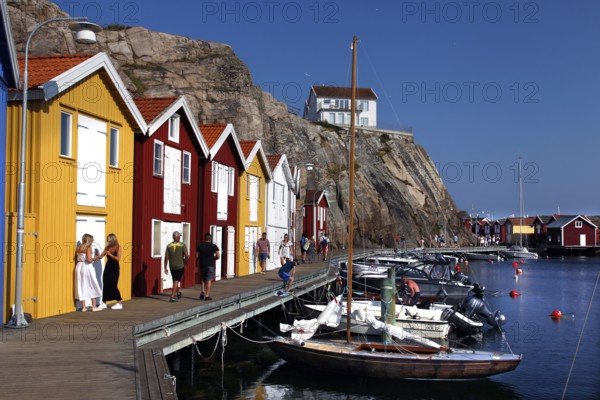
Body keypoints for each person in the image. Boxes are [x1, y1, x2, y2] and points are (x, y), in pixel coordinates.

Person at [74, 233, 103, 312]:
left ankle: (84, 307)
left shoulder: (79, 248)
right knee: (92, 284)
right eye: (92, 240)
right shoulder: (88, 248)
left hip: (79, 267)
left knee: (81, 285)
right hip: (86, 267)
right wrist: (96, 258)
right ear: (89, 240)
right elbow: (89, 260)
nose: (93, 241)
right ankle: (94, 306)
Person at [164, 231, 188, 302]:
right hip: (180, 266)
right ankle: (172, 297)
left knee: (175, 280)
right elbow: (186, 255)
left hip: (172, 266)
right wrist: (186, 264)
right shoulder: (182, 245)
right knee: (176, 281)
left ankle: (178, 293)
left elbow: (166, 257)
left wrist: (165, 267)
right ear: (177, 237)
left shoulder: (169, 246)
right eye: (179, 236)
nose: (180, 237)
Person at [100, 233, 123, 309]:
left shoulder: (118, 247)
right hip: (108, 267)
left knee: (113, 284)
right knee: (105, 283)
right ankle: (104, 302)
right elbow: (101, 256)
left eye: (108, 239)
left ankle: (119, 302)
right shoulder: (107, 247)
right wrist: (97, 255)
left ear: (112, 240)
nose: (107, 241)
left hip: (115, 267)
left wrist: (110, 255)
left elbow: (118, 258)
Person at [196, 233, 220, 300]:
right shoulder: (214, 246)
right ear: (210, 238)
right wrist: (213, 258)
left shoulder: (200, 246)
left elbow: (197, 256)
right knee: (208, 280)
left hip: (202, 264)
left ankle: (202, 292)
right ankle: (207, 295)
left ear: (205, 238)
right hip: (210, 265)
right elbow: (218, 256)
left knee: (203, 279)